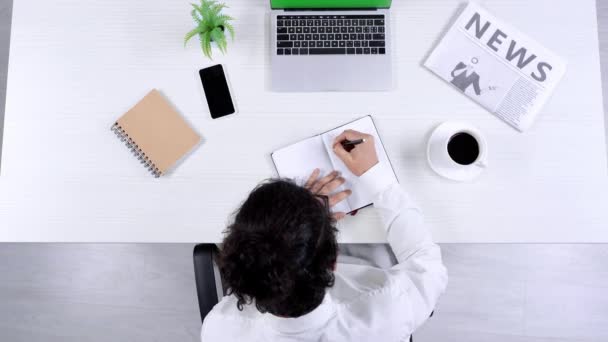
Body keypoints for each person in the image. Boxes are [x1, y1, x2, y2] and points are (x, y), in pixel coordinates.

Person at [201, 129, 448, 341]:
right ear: (333, 260)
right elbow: (425, 261)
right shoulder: (388, 311)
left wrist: (300, 217)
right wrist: (377, 177)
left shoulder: (220, 330)